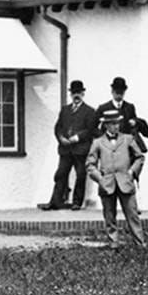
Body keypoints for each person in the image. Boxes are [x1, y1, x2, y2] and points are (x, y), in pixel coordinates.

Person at [86, 109, 146, 247]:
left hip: (125, 182)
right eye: (113, 123)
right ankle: (114, 244)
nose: (116, 126)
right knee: (109, 215)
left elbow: (140, 157)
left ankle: (140, 243)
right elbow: (90, 164)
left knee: (132, 214)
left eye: (118, 123)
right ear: (106, 125)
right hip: (107, 184)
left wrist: (132, 172)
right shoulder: (97, 142)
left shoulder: (127, 139)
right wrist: (100, 178)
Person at [40, 79, 98, 211]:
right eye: (74, 92)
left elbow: (90, 130)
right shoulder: (65, 110)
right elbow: (58, 127)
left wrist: (76, 138)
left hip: (80, 150)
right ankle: (55, 201)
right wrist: (61, 138)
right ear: (71, 94)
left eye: (79, 92)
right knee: (60, 174)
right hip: (65, 150)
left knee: (81, 175)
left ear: (83, 94)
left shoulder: (90, 111)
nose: (76, 95)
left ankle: (77, 202)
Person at [95, 76, 148, 153]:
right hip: (109, 149)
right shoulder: (103, 108)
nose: (119, 95)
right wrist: (104, 137)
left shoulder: (129, 107)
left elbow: (135, 126)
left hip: (127, 148)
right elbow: (93, 127)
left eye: (121, 92)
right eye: (117, 92)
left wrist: (134, 121)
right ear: (112, 91)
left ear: (124, 92)